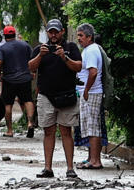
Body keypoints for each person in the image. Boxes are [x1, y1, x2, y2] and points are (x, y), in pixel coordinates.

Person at [29, 18, 83, 180]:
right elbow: (31, 67)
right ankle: (48, 168)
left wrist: (64, 57)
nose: (53, 35)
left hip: (66, 95)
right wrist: (40, 55)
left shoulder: (71, 48)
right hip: (46, 95)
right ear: (47, 33)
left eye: (56, 32)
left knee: (67, 131)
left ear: (62, 32)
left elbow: (78, 66)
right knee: (48, 131)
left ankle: (70, 168)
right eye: (50, 32)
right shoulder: (40, 49)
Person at [75, 22, 109, 170]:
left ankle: (96, 160)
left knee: (93, 127)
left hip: (92, 93)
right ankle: (91, 158)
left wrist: (87, 90)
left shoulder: (91, 51)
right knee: (89, 127)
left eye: (81, 35)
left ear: (89, 37)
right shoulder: (89, 50)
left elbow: (93, 72)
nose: (79, 38)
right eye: (78, 35)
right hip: (88, 92)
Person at [0, 25, 35, 137]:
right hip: (25, 78)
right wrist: (32, 72)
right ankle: (30, 123)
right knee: (28, 100)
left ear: (4, 36)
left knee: (8, 104)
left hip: (9, 79)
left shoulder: (2, 48)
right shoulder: (25, 45)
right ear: (15, 34)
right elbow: (32, 59)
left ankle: (10, 130)